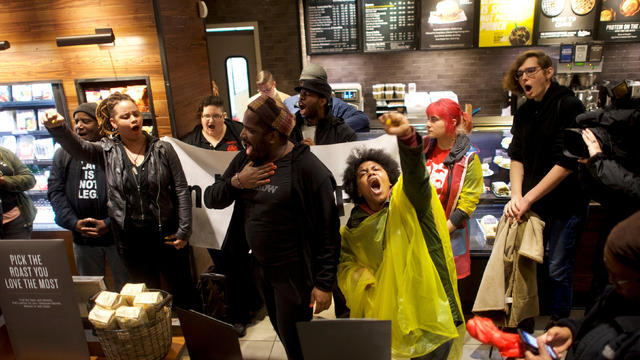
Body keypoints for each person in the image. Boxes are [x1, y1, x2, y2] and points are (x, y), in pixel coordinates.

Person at [203, 94, 340, 360]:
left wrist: (324, 284)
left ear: (274, 135)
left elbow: (328, 232)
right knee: (282, 331)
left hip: (294, 275)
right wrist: (237, 182)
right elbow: (211, 198)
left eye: (251, 130)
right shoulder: (246, 160)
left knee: (296, 341)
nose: (243, 134)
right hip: (259, 269)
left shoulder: (309, 170)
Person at [43, 93, 200, 310]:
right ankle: (156, 339)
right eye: (126, 116)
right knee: (146, 297)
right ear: (113, 122)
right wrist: (58, 128)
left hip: (167, 234)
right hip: (131, 239)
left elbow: (181, 188)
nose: (134, 119)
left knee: (183, 290)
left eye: (136, 114)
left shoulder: (163, 148)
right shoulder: (106, 151)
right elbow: (78, 147)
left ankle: (195, 336)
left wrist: (184, 229)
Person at [338, 112, 463, 359]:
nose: (371, 174)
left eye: (377, 169)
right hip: (387, 318)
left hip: (430, 313)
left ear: (389, 177)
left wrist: (408, 139)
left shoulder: (410, 200)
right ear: (358, 191)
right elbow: (345, 262)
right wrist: (361, 278)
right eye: (363, 174)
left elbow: (416, 174)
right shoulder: (353, 227)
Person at [502, 50, 587, 323]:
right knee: (533, 264)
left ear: (548, 72)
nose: (524, 78)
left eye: (531, 71)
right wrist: (516, 196)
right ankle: (528, 317)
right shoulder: (524, 111)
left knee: (558, 268)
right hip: (533, 203)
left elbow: (567, 162)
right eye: (520, 74)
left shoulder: (569, 105)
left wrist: (527, 198)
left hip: (565, 205)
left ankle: (560, 324)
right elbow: (516, 155)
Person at [523, 210, 640, 360]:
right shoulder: (617, 294)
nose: (611, 282)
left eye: (619, 278)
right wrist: (571, 330)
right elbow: (595, 321)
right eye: (608, 270)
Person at [48, 103, 128, 291]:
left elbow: (130, 192)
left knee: (126, 290)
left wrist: (109, 223)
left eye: (86, 121)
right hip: (82, 238)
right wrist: (73, 222)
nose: (79, 126)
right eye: (76, 121)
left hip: (118, 236)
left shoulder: (116, 151)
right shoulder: (63, 153)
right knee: (93, 293)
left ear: (100, 123)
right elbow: (55, 191)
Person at [424, 98, 483, 279]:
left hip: (449, 236)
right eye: (428, 118)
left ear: (452, 122)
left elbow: (467, 204)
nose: (428, 124)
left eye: (434, 119)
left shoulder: (469, 158)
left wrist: (442, 231)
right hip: (419, 234)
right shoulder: (423, 149)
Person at [284, 63, 370, 132]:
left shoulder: (335, 104)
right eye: (304, 83)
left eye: (312, 85)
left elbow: (361, 119)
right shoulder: (289, 103)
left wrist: (333, 130)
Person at [289, 77, 357, 146]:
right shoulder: (291, 128)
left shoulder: (342, 132)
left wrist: (317, 151)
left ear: (322, 101)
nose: (301, 97)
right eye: (301, 94)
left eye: (307, 94)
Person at [0, 146, 36, 239]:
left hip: (15, 222)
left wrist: (5, 181)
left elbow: (30, 179)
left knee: (18, 253)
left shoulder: (4, 153)